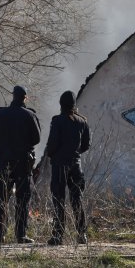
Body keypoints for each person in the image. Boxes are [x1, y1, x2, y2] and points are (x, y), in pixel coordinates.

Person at [0, 85, 41, 243]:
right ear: (25, 98)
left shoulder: (0, 114)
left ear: (13, 96)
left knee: (2, 197)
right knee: (22, 198)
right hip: (23, 163)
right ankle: (21, 235)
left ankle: (0, 235)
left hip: (4, 161)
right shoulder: (30, 115)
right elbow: (36, 139)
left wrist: (5, 144)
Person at [45, 90, 90, 246]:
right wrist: (74, 153)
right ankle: (82, 234)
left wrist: (51, 155)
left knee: (59, 199)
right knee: (77, 199)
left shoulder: (57, 121)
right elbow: (86, 145)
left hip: (59, 166)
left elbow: (51, 145)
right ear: (74, 104)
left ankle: (58, 236)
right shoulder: (82, 121)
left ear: (61, 104)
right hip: (76, 166)